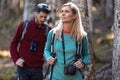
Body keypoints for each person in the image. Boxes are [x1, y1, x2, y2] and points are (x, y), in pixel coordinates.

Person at [44, 2, 90, 80]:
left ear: (74, 16)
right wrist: (48, 57)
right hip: (55, 77)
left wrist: (83, 63)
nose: (63, 13)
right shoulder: (53, 33)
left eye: (67, 11)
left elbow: (86, 55)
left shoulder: (81, 36)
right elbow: (47, 50)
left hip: (76, 77)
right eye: (62, 11)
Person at [10, 3, 50, 80]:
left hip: (38, 69)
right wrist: (16, 59)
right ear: (35, 14)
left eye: (45, 17)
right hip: (23, 68)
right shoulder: (24, 25)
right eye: (41, 16)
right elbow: (13, 44)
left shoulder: (48, 30)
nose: (43, 19)